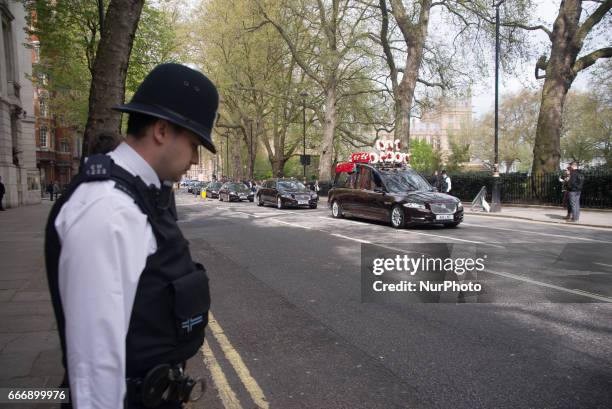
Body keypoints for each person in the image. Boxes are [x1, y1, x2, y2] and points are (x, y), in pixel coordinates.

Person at [45, 63, 218, 408]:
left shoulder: (142, 195)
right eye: (194, 142)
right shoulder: (109, 209)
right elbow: (95, 366)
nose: (195, 157)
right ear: (161, 130)